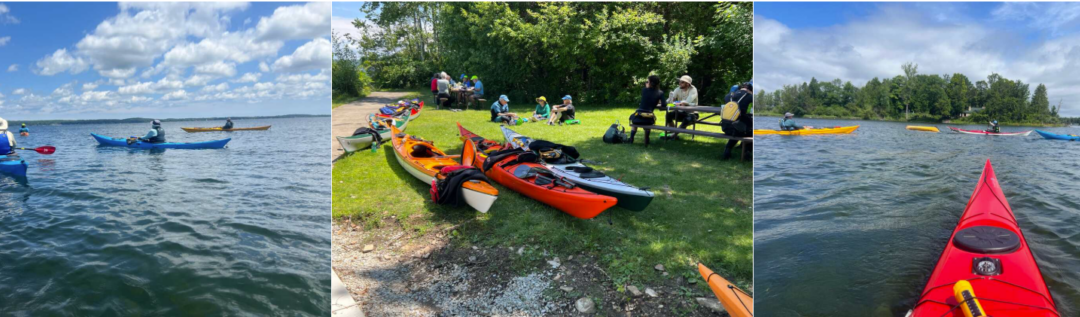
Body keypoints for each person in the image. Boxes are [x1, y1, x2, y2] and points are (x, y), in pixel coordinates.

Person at [721, 81, 754, 160]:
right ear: (750, 90)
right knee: (751, 132)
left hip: (725, 127)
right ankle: (747, 152)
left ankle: (727, 149)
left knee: (738, 129)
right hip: (738, 129)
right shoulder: (750, 97)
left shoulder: (729, 95)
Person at [629, 75, 665, 145]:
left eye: (647, 82)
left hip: (638, 118)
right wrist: (657, 103)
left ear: (650, 83)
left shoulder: (644, 90)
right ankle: (646, 139)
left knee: (634, 121)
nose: (646, 83)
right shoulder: (660, 93)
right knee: (648, 122)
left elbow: (648, 98)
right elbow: (664, 105)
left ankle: (631, 138)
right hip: (649, 119)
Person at [662, 75, 700, 140]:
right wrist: (663, 102)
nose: (679, 83)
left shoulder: (693, 90)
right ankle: (673, 131)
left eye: (682, 82)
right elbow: (670, 99)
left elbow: (687, 102)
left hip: (692, 113)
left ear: (687, 84)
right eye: (679, 81)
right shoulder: (677, 89)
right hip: (680, 112)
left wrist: (678, 103)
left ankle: (673, 135)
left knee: (687, 119)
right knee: (668, 115)